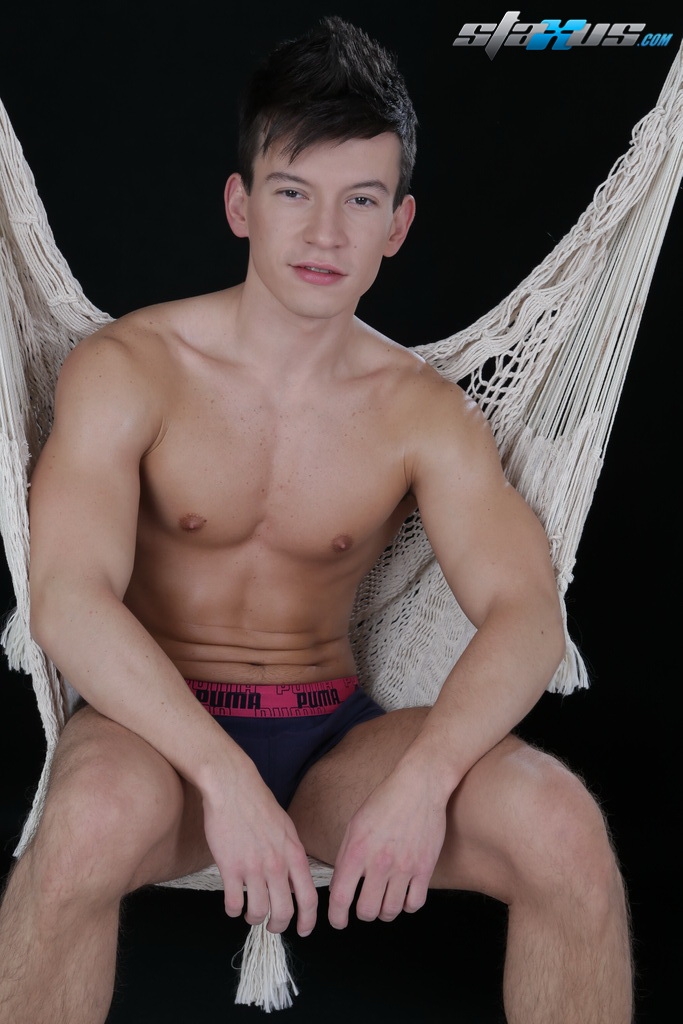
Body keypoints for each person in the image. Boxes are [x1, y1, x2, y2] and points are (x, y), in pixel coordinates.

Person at [0, 16, 632, 1024]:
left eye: (360, 200)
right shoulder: (129, 370)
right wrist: (219, 775)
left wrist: (424, 779)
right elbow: (68, 599)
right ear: (240, 203)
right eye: (294, 192)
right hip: (152, 741)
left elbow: (526, 616)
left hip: (332, 743)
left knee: (561, 828)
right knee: (83, 828)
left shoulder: (422, 413)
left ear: (398, 224)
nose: (326, 234)